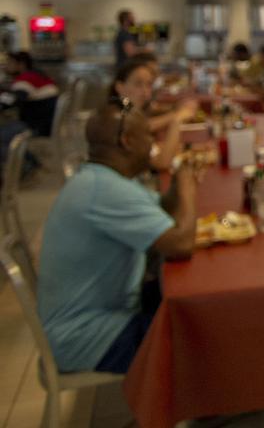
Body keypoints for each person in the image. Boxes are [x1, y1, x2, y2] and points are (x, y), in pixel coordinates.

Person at [37, 99, 198, 374]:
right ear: (127, 141)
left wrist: (182, 176)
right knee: (203, 332)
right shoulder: (106, 191)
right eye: (148, 136)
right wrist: (188, 189)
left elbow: (162, 207)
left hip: (105, 312)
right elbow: (181, 244)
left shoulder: (105, 178)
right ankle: (196, 405)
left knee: (194, 301)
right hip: (86, 337)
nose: (153, 144)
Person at [111, 58, 198, 171]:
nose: (145, 91)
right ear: (119, 87)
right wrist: (177, 118)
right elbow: (163, 162)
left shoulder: (126, 109)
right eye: (138, 84)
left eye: (149, 85)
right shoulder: (117, 118)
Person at [1, 50, 60, 136]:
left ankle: (22, 149)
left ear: (21, 64)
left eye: (10, 63)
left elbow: (14, 101)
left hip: (36, 127)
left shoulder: (25, 79)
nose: (6, 66)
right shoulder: (36, 74)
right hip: (45, 123)